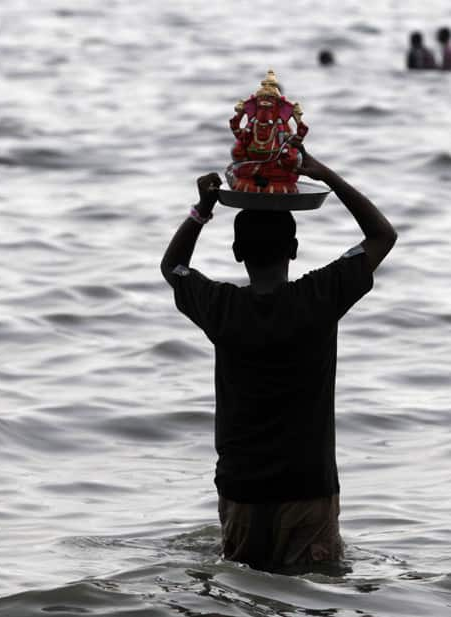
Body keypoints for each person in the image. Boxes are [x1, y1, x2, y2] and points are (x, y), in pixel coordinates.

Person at [160, 150, 397, 572]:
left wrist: (203, 209)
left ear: (236, 251)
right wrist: (327, 176)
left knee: (244, 593)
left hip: (241, 491)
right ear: (293, 248)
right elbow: (382, 236)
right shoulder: (320, 297)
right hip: (307, 489)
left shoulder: (221, 307)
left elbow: (172, 265)